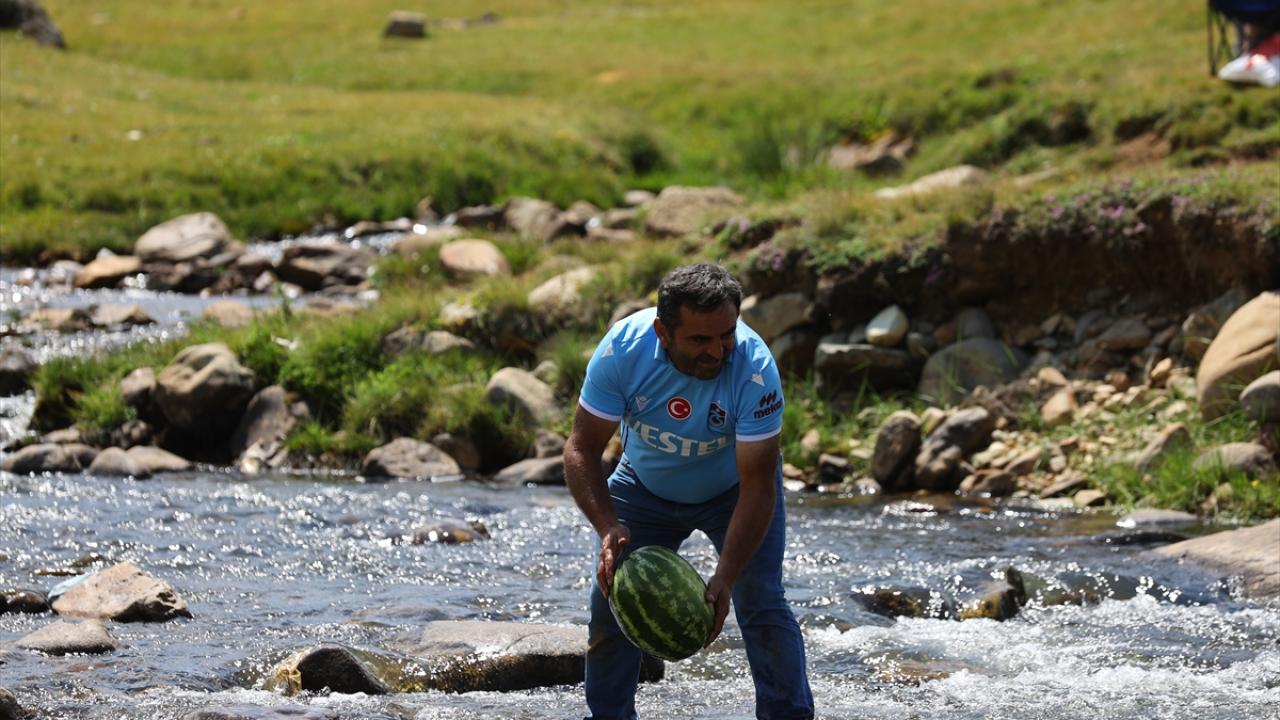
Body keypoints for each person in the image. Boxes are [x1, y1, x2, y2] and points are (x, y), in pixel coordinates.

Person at [564, 263, 815, 720]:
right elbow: (582, 449)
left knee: (761, 603)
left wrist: (727, 574)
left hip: (735, 493)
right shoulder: (623, 352)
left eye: (726, 335)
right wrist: (607, 526)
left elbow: (759, 488)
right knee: (610, 610)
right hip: (643, 487)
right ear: (663, 331)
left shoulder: (755, 370)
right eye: (700, 339)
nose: (717, 352)